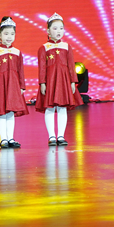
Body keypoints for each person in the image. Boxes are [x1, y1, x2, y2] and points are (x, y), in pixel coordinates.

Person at [36, 13, 82, 146]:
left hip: (63, 81)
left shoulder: (67, 46)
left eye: (61, 28)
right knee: (50, 108)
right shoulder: (44, 48)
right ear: (48, 31)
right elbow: (42, 67)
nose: (59, 31)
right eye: (55, 28)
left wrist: (73, 81)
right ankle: (51, 136)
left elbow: (71, 65)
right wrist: (42, 83)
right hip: (50, 81)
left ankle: (61, 135)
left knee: (62, 108)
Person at [0, 16, 29, 148]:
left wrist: (22, 86)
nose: (9, 37)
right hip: (1, 85)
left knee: (11, 112)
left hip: (14, 86)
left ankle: (10, 138)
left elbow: (20, 70)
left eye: (12, 34)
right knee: (2, 112)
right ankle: (3, 139)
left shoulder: (17, 52)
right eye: (6, 34)